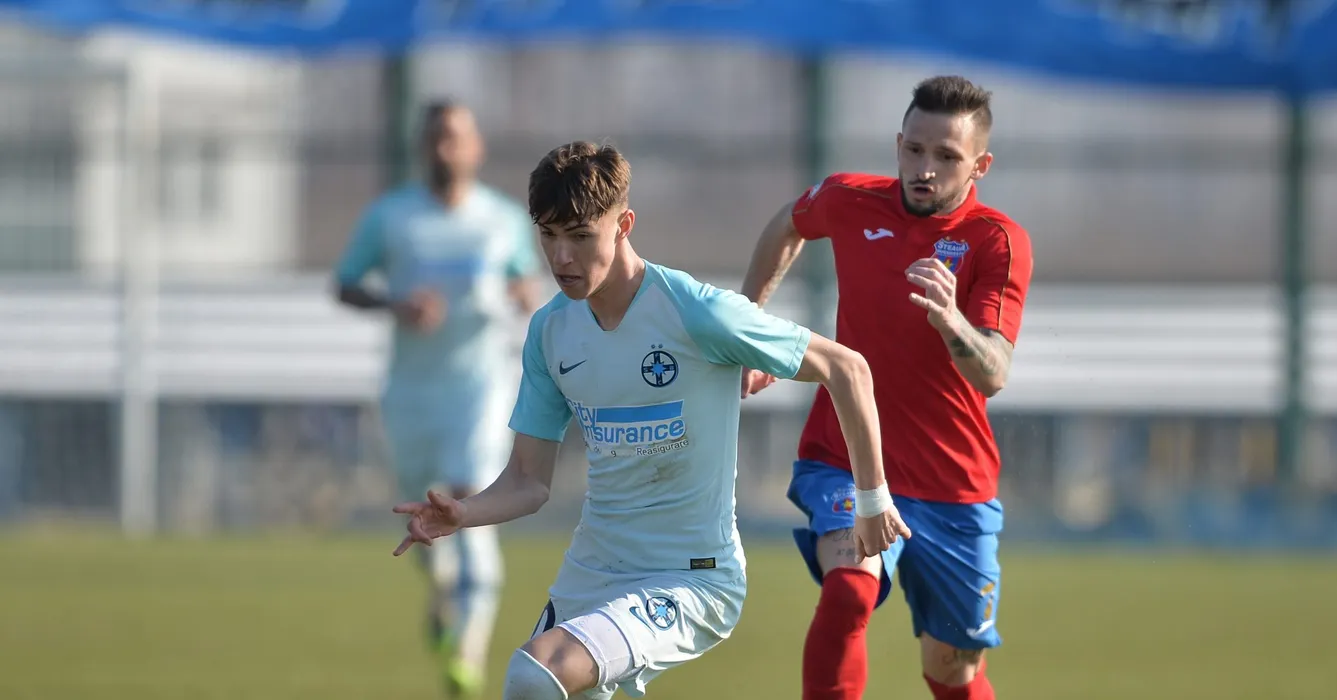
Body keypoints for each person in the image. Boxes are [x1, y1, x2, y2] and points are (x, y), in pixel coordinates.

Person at [390, 140, 913, 700]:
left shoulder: (695, 311)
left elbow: (847, 368)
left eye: (580, 235)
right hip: (591, 574)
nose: (561, 257)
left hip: (690, 578)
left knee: (534, 675)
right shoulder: (550, 331)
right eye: (548, 235)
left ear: (623, 225)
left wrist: (872, 501)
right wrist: (464, 512)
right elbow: (528, 480)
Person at [740, 76, 1034, 700]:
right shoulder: (850, 198)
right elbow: (788, 224)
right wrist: (749, 323)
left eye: (946, 156)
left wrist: (951, 321)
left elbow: (993, 373)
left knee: (954, 670)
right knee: (850, 591)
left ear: (979, 165)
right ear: (898, 143)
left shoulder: (996, 240)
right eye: (915, 150)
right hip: (844, 458)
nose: (925, 169)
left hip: (952, 484)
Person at [334, 100, 542, 698]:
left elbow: (525, 282)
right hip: (410, 392)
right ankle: (444, 589)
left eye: (456, 136)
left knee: (470, 498)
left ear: (477, 147)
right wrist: (396, 305)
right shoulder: (392, 217)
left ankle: (468, 654)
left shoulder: (501, 219)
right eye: (436, 137)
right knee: (423, 512)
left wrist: (520, 294)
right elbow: (345, 284)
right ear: (422, 147)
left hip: (478, 387)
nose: (446, 147)